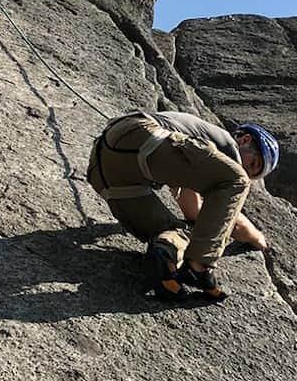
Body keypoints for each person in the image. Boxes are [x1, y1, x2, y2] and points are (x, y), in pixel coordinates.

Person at [86, 109, 279, 301]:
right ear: (244, 140)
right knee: (238, 180)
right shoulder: (227, 145)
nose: (247, 171)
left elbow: (193, 212)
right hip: (141, 135)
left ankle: (164, 257)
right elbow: (231, 212)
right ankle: (198, 268)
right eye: (253, 163)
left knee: (172, 232)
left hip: (106, 169)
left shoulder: (196, 162)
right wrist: (256, 238)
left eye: (253, 174)